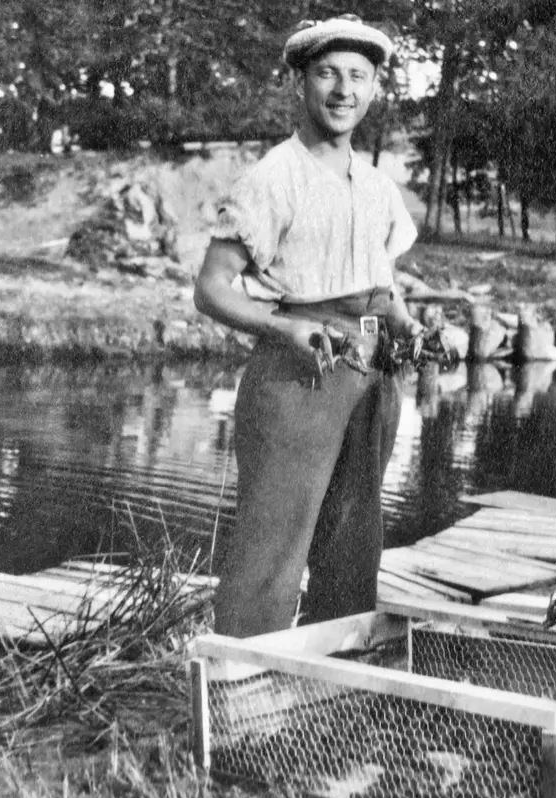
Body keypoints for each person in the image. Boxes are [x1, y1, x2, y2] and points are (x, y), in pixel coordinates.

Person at [193, 15, 422, 638]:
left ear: (375, 89)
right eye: (327, 74)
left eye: (358, 76)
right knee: (274, 542)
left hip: (370, 377)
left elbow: (381, 286)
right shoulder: (274, 177)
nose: (343, 90)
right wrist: (283, 328)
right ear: (301, 83)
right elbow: (210, 289)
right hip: (300, 376)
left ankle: (334, 682)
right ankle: (240, 689)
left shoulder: (376, 186)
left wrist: (410, 327)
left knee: (354, 538)